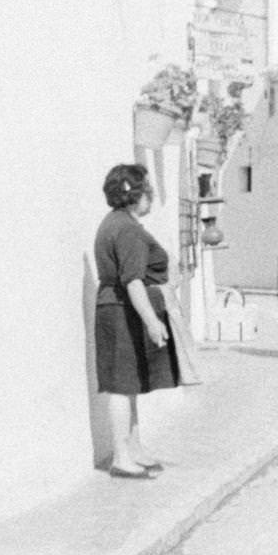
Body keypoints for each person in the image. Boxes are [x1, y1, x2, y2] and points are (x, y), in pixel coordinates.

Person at [93, 162, 183, 478]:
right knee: (121, 385)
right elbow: (132, 281)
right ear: (136, 195)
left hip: (115, 308)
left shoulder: (114, 222)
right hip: (120, 310)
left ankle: (135, 448)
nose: (151, 198)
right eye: (147, 192)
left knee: (128, 383)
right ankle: (121, 456)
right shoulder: (127, 229)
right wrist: (152, 321)